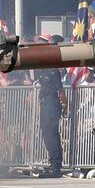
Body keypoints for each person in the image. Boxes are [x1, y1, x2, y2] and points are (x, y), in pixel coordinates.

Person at [35, 37, 67, 178]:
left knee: (51, 134)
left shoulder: (53, 70)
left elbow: (60, 90)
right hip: (45, 102)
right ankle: (53, 164)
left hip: (52, 103)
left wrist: (65, 104)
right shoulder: (42, 68)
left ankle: (56, 167)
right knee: (47, 134)